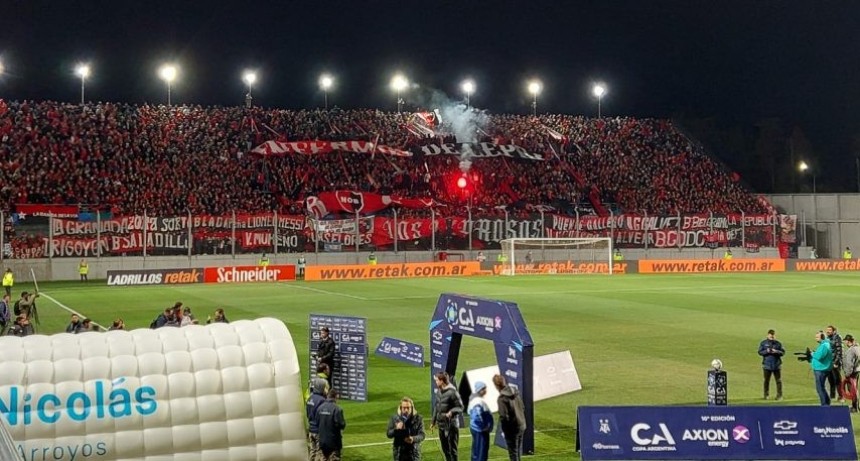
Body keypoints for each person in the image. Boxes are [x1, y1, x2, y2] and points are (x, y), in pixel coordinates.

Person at [493, 374, 526, 461]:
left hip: (512, 429)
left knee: (513, 453)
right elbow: (522, 407)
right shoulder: (515, 392)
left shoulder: (502, 399)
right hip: (521, 424)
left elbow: (504, 417)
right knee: (517, 451)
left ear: (496, 386)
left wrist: (505, 430)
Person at [432, 372, 463, 461]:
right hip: (441, 425)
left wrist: (452, 412)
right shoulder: (439, 391)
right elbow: (437, 406)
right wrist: (433, 421)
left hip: (451, 426)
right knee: (445, 449)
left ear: (442, 381)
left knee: (452, 450)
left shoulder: (453, 392)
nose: (436, 382)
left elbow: (460, 407)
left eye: (437, 380)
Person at [387, 396, 425, 461]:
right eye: (404, 408)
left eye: (408, 408)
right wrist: (396, 429)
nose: (406, 410)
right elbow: (389, 434)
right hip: (399, 452)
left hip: (413, 452)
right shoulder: (394, 418)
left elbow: (422, 435)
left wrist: (413, 439)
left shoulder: (418, 418)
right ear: (401, 408)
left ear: (412, 408)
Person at [316, 389, 346, 461]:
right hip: (334, 443)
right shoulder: (337, 409)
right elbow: (342, 425)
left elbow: (317, 422)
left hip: (322, 442)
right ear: (335, 397)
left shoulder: (320, 408)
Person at [467, 382, 493, 461]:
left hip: (476, 429)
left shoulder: (474, 399)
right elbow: (477, 416)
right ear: (480, 390)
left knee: (476, 451)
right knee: (481, 453)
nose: (486, 390)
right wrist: (483, 427)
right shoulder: (478, 401)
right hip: (480, 431)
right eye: (484, 389)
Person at [758, 329, 785, 400]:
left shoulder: (778, 343)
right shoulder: (763, 343)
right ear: (767, 335)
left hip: (776, 365)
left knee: (778, 381)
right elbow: (760, 352)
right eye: (770, 336)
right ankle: (766, 395)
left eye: (773, 336)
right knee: (766, 381)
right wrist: (766, 351)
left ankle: (779, 395)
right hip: (767, 365)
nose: (772, 337)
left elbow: (782, 353)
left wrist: (776, 351)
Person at [306, 376, 328, 461]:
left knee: (312, 451)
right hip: (319, 431)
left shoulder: (309, 398)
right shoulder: (322, 400)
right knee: (321, 454)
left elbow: (308, 414)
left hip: (311, 429)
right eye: (325, 387)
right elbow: (322, 417)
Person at [811, 330, 834, 406]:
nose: (816, 338)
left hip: (821, 369)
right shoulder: (825, 344)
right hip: (823, 368)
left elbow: (819, 356)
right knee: (822, 387)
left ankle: (824, 405)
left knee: (820, 388)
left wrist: (812, 354)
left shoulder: (824, 345)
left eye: (817, 337)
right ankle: (827, 403)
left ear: (822, 337)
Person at [842, 334, 860, 412]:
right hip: (857, 370)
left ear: (848, 341)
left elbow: (849, 364)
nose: (845, 342)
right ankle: (857, 406)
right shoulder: (857, 348)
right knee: (855, 389)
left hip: (852, 372)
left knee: (852, 390)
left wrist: (847, 374)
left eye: (846, 341)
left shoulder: (851, 350)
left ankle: (854, 407)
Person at [826, 325, 844, 402]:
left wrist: (836, 362)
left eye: (829, 330)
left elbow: (840, 351)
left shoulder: (837, 338)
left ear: (834, 331)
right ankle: (832, 395)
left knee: (837, 380)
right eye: (827, 330)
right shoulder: (827, 338)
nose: (828, 331)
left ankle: (841, 396)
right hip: (829, 362)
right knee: (831, 380)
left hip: (835, 363)